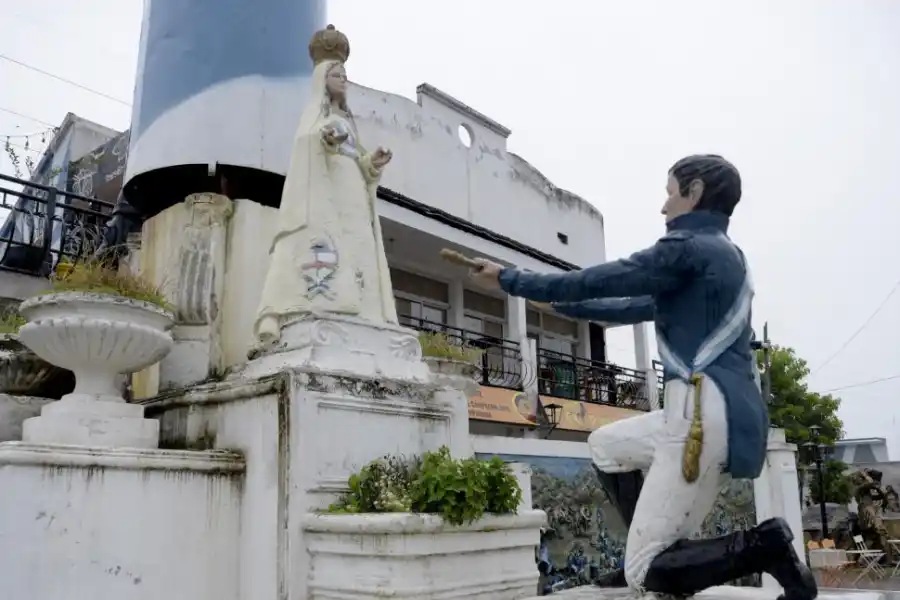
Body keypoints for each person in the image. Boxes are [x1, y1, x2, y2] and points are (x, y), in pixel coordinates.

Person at [469, 155, 817, 599]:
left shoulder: (687, 248)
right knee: (605, 447)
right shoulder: (727, 257)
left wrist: (512, 279)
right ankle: (652, 553)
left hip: (696, 417)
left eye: (670, 192)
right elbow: (626, 307)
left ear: (693, 193)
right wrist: (552, 305)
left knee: (645, 573)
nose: (663, 205)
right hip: (706, 410)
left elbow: (604, 280)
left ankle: (762, 547)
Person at [254, 25, 397, 346]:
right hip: (325, 191)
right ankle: (323, 305)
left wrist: (372, 162)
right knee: (329, 244)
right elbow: (310, 144)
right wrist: (327, 140)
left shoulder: (348, 120)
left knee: (360, 246)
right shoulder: (313, 118)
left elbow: (359, 159)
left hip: (354, 193)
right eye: (337, 74)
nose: (343, 80)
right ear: (322, 79)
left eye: (345, 75)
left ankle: (366, 310)